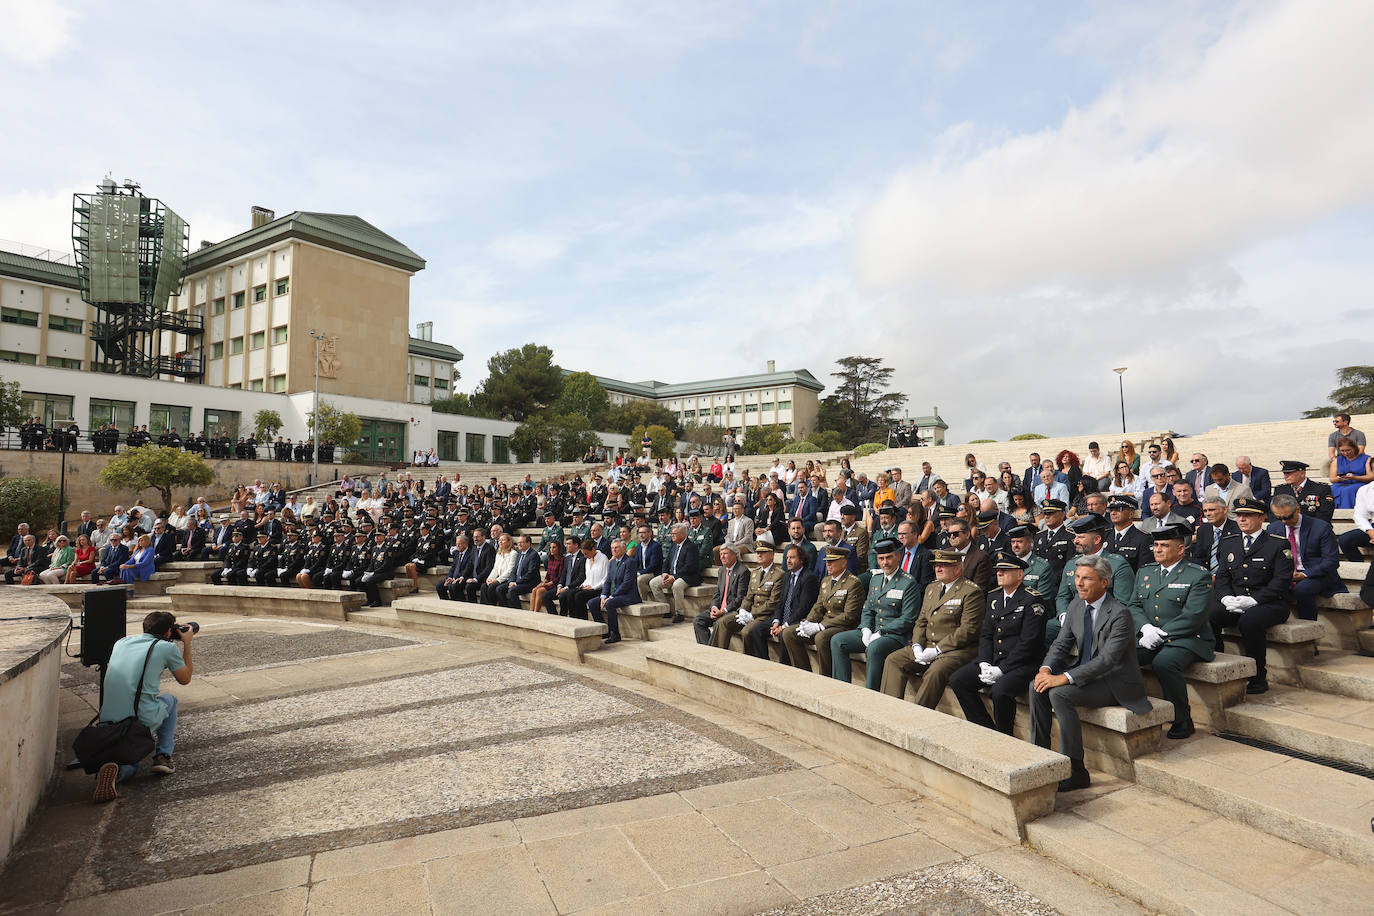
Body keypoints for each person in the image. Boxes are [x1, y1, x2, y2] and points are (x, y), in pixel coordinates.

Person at [1032, 555, 1151, 791]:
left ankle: (1076, 770)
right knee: (1036, 686)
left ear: (1104, 582)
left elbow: (1107, 660)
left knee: (1059, 694)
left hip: (1114, 681)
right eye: (1077, 577)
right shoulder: (1077, 604)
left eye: (1087, 578)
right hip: (1084, 673)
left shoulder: (1120, 614)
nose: (1079, 583)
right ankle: (1041, 755)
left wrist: (1063, 678)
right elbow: (1060, 644)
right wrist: (1045, 669)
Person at [92, 611, 194, 802]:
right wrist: (187, 642)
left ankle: (115, 773)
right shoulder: (165, 648)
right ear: (168, 632)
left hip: (108, 719)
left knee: (131, 764)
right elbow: (185, 678)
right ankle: (163, 756)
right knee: (170, 700)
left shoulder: (121, 642)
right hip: (139, 719)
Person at [1128, 524, 1214, 739]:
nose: (1158, 549)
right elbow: (1134, 605)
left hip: (1189, 638)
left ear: (1180, 549)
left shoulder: (1197, 575)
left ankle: (1182, 719)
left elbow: (1194, 615)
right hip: (1150, 635)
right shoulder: (1145, 572)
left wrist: (1160, 634)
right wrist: (1146, 629)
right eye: (1156, 545)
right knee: (1124, 654)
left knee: (1164, 663)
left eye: (1164, 545)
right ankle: (1134, 706)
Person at [948, 553, 1049, 734]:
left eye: (1005, 570)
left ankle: (1005, 735)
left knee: (1000, 691)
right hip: (994, 659)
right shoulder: (994, 597)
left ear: (1020, 575)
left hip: (1022, 663)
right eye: (998, 570)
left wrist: (1002, 669)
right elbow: (986, 634)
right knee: (958, 680)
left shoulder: (1032, 599)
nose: (999, 573)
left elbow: (1029, 642)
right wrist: (985, 662)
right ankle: (986, 730)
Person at [1209, 498, 1294, 695]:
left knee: (1249, 621)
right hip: (1237, 600)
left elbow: (1281, 581)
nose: (1242, 519)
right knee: (1210, 613)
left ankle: (1258, 677)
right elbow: (1222, 576)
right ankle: (1220, 663)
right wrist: (1225, 598)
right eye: (1239, 515)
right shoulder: (1230, 542)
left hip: (1270, 603)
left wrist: (1255, 600)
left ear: (1261, 517)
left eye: (1248, 515)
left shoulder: (1277, 544)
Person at [879, 549, 985, 706]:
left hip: (955, 650)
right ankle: (890, 709)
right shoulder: (932, 588)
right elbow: (921, 621)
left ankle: (918, 716)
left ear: (957, 568)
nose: (938, 569)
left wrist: (938, 650)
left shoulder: (970, 591)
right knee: (893, 660)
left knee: (935, 671)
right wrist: (916, 645)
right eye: (936, 565)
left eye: (943, 565)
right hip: (927, 645)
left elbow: (968, 630)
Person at [829, 538, 920, 688]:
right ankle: (842, 688)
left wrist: (882, 632)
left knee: (874, 648)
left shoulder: (908, 583)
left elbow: (908, 619)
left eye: (889, 557)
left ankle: (871, 694)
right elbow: (868, 609)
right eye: (881, 558)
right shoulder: (875, 580)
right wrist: (865, 629)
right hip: (873, 631)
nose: (885, 562)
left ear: (898, 556)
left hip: (896, 635)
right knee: (837, 641)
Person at [1267, 493, 1345, 621]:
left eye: (1287, 517)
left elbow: (1331, 561)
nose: (1284, 522)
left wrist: (1305, 574)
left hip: (1316, 573)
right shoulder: (1273, 528)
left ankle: (1309, 625)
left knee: (1302, 590)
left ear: (1297, 509)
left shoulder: (1320, 527)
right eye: (1279, 517)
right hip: (1287, 573)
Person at [712, 537, 784, 650]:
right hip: (749, 612)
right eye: (758, 552)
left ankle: (749, 659)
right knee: (723, 622)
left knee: (746, 632)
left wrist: (752, 615)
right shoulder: (755, 573)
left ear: (772, 555)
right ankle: (720, 654)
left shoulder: (779, 575)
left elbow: (772, 603)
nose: (759, 555)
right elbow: (748, 597)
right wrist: (743, 610)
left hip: (764, 615)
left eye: (763, 552)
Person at [694, 545, 749, 645]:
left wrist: (724, 611)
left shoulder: (743, 571)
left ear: (735, 555)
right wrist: (714, 607)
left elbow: (740, 598)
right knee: (698, 621)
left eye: (725, 554)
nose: (722, 557)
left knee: (718, 623)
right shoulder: (722, 570)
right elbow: (717, 593)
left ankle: (711, 651)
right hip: (719, 609)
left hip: (732, 610)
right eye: (720, 554)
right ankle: (707, 648)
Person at [587, 539, 637, 643]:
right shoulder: (613, 562)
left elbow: (627, 583)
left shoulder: (630, 562)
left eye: (616, 547)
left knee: (610, 604)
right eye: (612, 548)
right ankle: (604, 630)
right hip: (613, 593)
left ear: (624, 548)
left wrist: (612, 596)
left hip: (627, 595)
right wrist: (603, 595)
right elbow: (608, 581)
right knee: (592, 603)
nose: (614, 550)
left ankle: (614, 633)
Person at [650, 522, 701, 623]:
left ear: (683, 534)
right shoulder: (674, 546)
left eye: (674, 534)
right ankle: (666, 610)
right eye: (672, 534)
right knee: (654, 583)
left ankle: (679, 613)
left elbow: (689, 567)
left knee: (677, 585)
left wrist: (674, 576)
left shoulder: (691, 547)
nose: (672, 536)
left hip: (688, 576)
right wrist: (664, 573)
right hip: (672, 574)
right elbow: (666, 562)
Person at [1329, 437, 1374, 508]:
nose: (1346, 453)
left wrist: (1355, 477)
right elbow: (1332, 479)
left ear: (1354, 448)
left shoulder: (1366, 458)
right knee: (1332, 489)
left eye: (1348, 450)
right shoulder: (1337, 460)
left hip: (1360, 483)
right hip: (1342, 483)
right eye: (1342, 451)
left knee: (1348, 490)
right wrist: (1339, 478)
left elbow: (1371, 477)